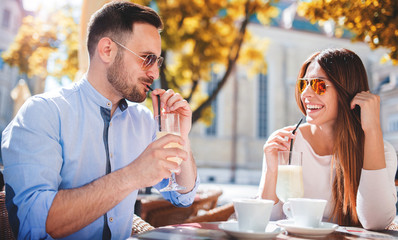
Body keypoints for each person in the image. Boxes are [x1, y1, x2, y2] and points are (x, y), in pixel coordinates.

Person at [1, 2, 199, 239]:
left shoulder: (144, 120)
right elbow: (36, 225)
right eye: (147, 58)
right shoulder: (43, 113)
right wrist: (133, 174)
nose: (155, 73)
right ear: (107, 50)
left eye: (158, 61)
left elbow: (183, 195)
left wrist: (181, 137)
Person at [258, 48, 397, 230]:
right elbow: (265, 221)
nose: (305, 94)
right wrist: (271, 170)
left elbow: (376, 222)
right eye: (303, 85)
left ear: (345, 90)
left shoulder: (381, 150)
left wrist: (372, 130)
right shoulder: (286, 143)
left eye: (318, 85)